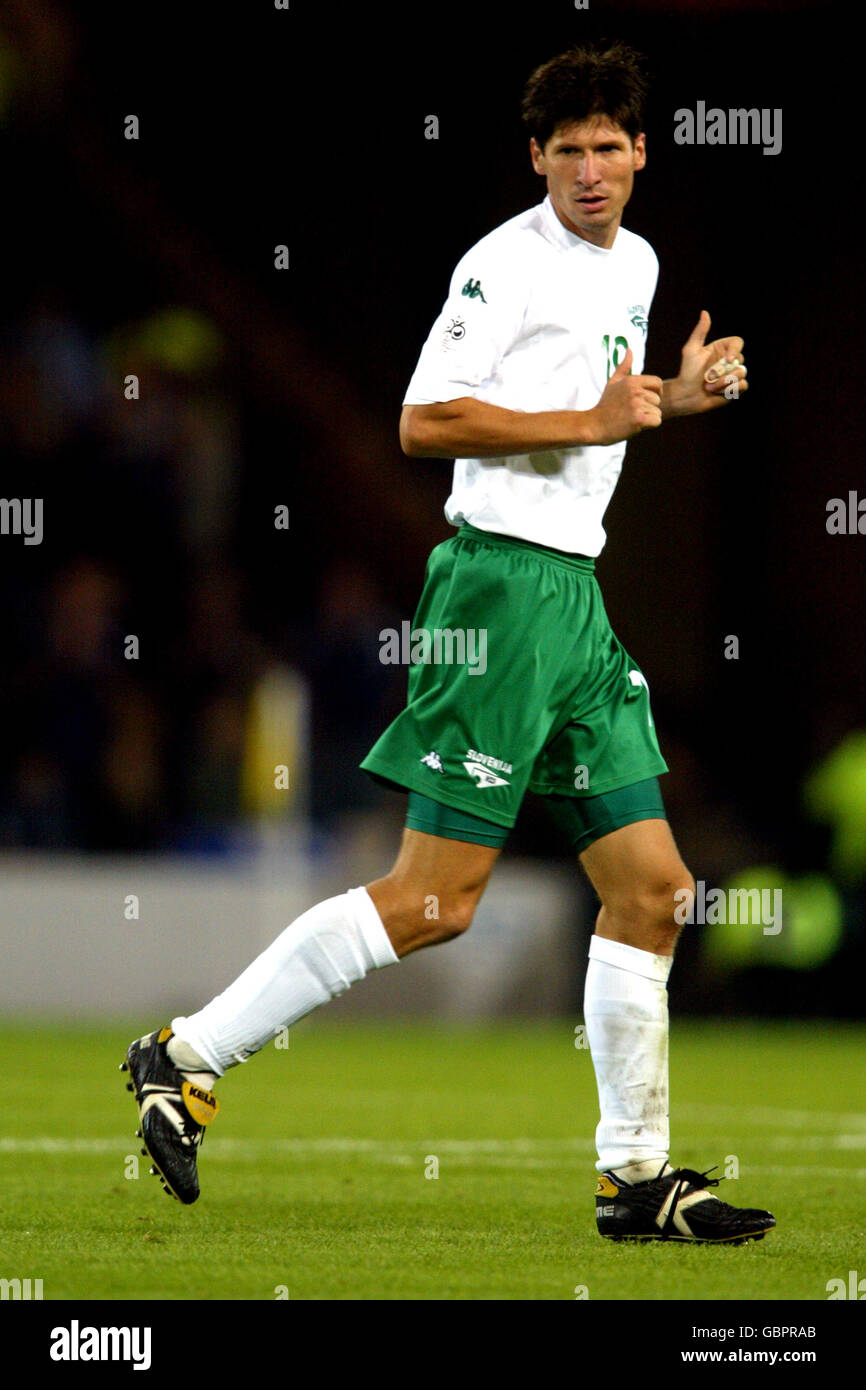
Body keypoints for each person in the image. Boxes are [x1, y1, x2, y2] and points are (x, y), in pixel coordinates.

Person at [123, 41, 774, 1244]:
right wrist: (588, 415)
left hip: (572, 600)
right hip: (495, 595)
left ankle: (633, 1180)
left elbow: (597, 426)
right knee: (433, 902)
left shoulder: (635, 261)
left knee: (653, 891)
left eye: (606, 146)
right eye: (564, 149)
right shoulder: (501, 263)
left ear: (640, 151)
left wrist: (672, 401)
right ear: (535, 158)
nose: (587, 169)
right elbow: (426, 418)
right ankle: (182, 1054)